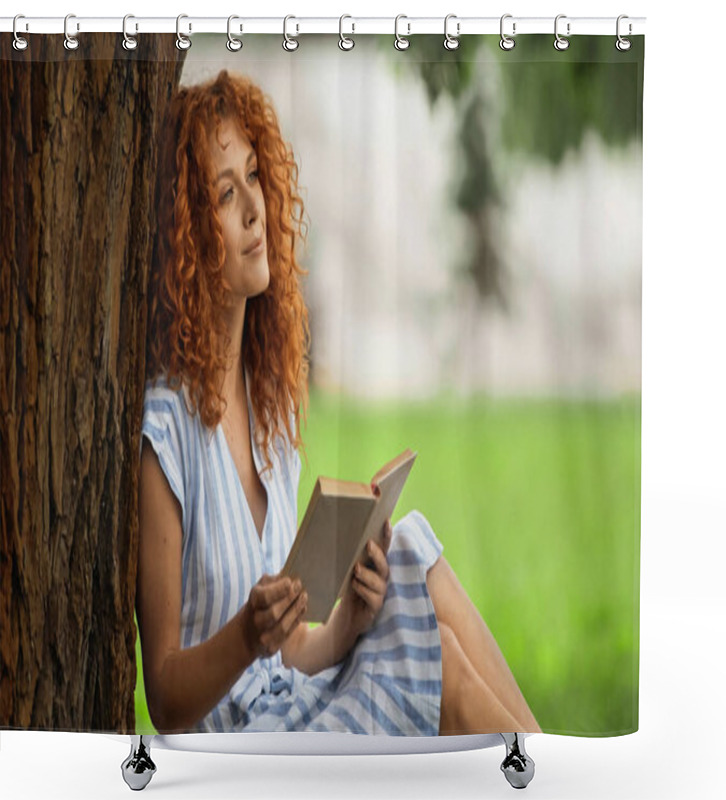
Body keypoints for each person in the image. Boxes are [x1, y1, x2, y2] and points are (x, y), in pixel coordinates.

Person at [136, 69, 540, 737]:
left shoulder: (269, 407)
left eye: (257, 178)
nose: (254, 210)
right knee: (450, 675)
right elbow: (165, 701)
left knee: (408, 548)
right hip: (242, 751)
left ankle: (560, 769)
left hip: (292, 707)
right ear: (186, 235)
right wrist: (245, 635)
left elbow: (296, 651)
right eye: (224, 193)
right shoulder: (166, 430)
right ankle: (569, 777)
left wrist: (347, 619)